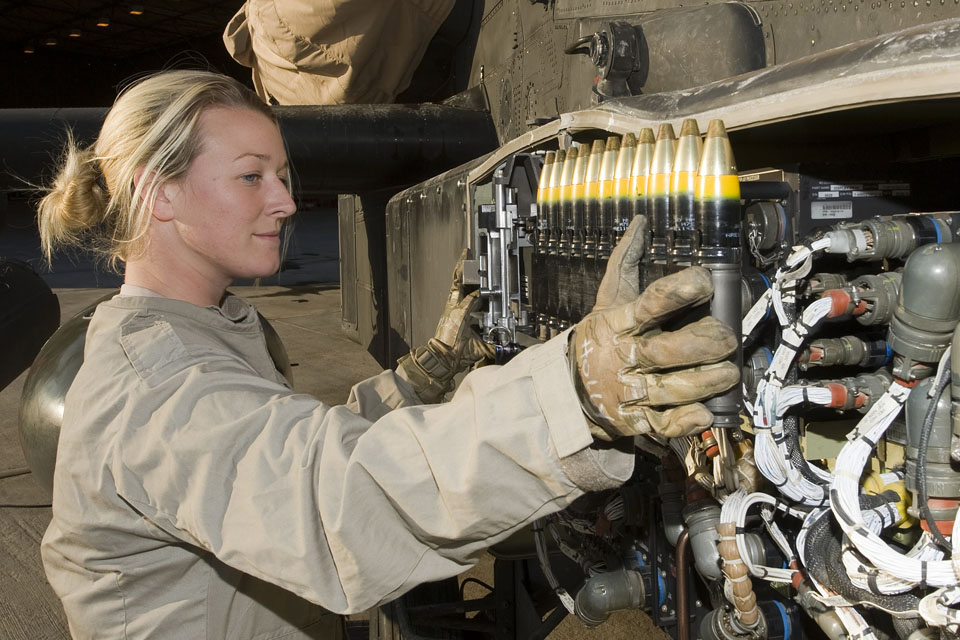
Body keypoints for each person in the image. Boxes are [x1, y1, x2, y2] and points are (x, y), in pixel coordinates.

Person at [36, 69, 739, 639]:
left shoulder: (197, 329)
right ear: (158, 195)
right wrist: (576, 393)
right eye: (252, 177)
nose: (284, 202)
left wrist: (421, 377)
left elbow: (284, 446)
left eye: (282, 175)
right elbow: (330, 503)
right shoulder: (154, 385)